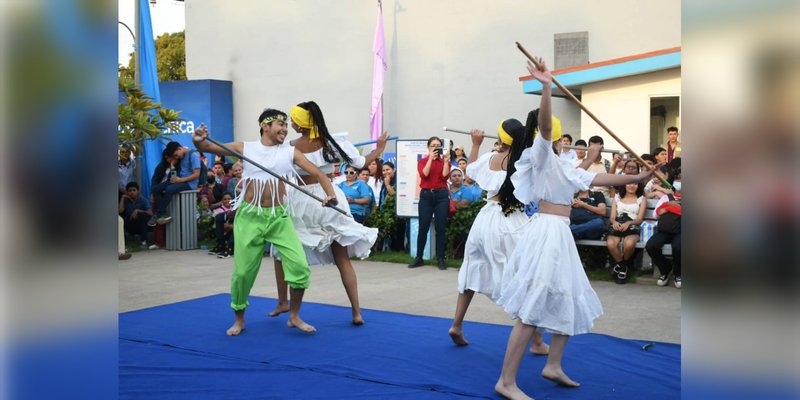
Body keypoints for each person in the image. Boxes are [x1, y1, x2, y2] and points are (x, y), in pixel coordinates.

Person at [494, 58, 659, 399]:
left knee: (567, 296)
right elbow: (541, 129)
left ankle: (553, 364)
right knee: (532, 308)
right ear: (554, 137)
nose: (558, 139)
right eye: (556, 136)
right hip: (545, 232)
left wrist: (638, 177)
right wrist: (546, 87)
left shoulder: (564, 166)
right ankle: (506, 381)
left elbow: (600, 177)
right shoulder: (539, 157)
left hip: (559, 234)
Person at [192, 108, 338, 336]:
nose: (284, 128)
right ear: (264, 126)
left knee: (299, 266)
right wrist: (198, 140)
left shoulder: (290, 152)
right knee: (243, 273)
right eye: (280, 124)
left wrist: (331, 195)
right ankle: (239, 319)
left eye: (286, 124)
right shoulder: (246, 148)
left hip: (278, 217)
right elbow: (208, 147)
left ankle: (295, 315)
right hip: (250, 217)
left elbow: (319, 174)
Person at [268, 101, 387, 326]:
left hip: (304, 200)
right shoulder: (332, 142)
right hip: (330, 197)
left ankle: (284, 302)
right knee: (341, 257)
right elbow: (361, 162)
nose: (290, 124)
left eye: (293, 120)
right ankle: (356, 312)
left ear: (301, 123)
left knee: (281, 252)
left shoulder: (290, 147)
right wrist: (379, 149)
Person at [447, 118, 548, 356]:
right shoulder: (524, 160)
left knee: (472, 268)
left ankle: (457, 324)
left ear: (503, 139)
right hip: (510, 221)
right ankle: (536, 341)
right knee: (523, 275)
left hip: (485, 219)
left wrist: (475, 144)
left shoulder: (492, 158)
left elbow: (470, 171)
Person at [409, 136, 450, 270]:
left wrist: (446, 162)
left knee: (441, 227)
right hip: (426, 195)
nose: (435, 147)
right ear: (428, 147)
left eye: (438, 145)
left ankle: (440, 258)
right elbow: (424, 174)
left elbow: (445, 176)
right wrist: (431, 159)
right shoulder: (423, 161)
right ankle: (419, 257)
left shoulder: (444, 160)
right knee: (423, 227)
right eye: (433, 145)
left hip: (441, 196)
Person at [606, 170, 646, 284]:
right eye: (629, 183)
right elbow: (612, 217)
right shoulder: (617, 197)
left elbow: (639, 219)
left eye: (635, 183)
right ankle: (623, 267)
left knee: (629, 244)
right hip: (618, 224)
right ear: (624, 184)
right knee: (611, 244)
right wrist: (614, 222)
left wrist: (629, 223)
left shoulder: (641, 199)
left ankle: (620, 267)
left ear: (638, 185)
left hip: (632, 225)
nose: (632, 186)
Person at [150, 141, 202, 226]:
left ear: (179, 148)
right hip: (179, 181)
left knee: (169, 189)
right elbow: (173, 176)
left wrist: (181, 180)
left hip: (189, 184)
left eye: (176, 155)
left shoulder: (193, 155)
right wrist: (172, 167)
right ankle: (162, 214)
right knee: (156, 189)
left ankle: (159, 214)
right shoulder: (181, 157)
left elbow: (196, 175)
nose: (176, 157)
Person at [647, 165, 682, 288]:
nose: (680, 183)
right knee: (651, 246)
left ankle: (678, 273)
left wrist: (668, 208)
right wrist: (669, 205)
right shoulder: (666, 198)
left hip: (681, 231)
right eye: (678, 180)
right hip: (665, 230)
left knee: (678, 247)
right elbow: (656, 214)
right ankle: (665, 269)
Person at [119, 181, 152, 246]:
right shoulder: (125, 200)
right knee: (120, 218)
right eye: (130, 191)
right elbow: (120, 211)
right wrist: (122, 198)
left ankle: (144, 240)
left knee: (143, 216)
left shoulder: (143, 200)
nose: (132, 192)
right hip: (130, 223)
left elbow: (151, 213)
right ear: (127, 192)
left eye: (134, 190)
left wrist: (138, 211)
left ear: (138, 191)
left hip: (141, 225)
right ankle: (122, 243)